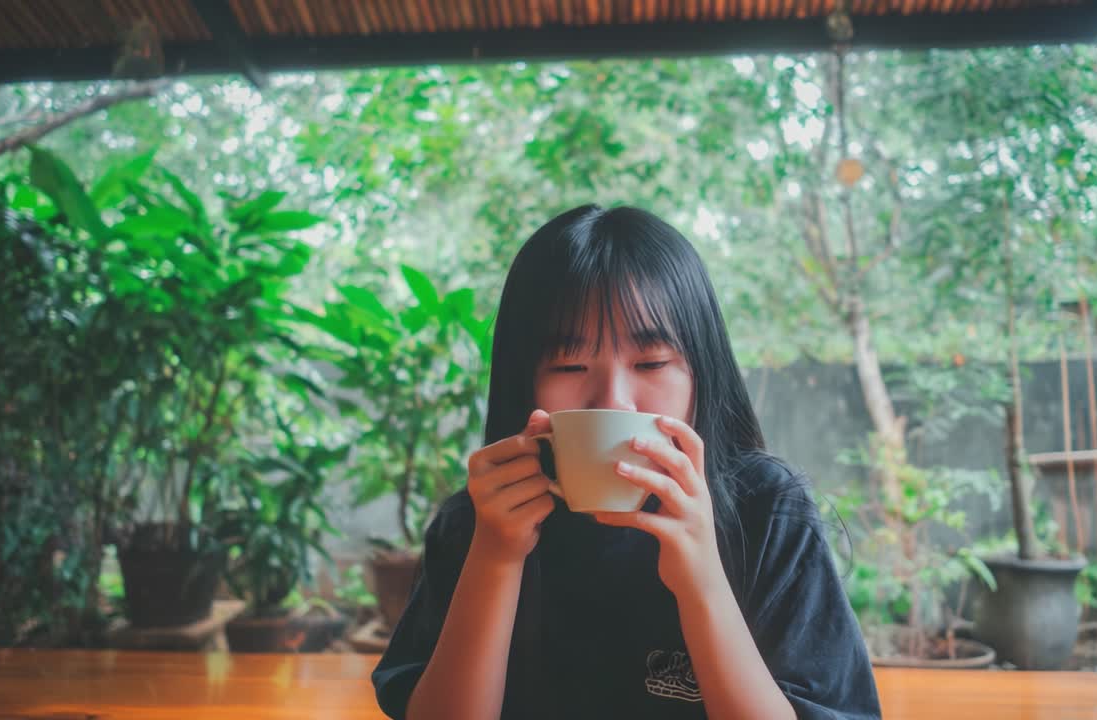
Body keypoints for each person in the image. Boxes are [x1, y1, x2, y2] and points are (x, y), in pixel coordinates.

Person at [372, 204, 881, 719]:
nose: (614, 400)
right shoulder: (478, 524)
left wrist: (701, 579)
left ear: (701, 372)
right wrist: (496, 557)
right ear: (523, 381)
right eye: (570, 364)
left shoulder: (767, 509)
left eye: (652, 363)